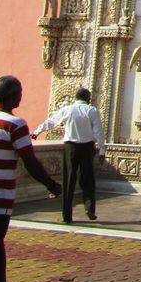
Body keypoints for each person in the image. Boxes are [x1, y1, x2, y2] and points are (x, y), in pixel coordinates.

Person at [0, 75, 62, 282]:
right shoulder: (15, 124)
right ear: (12, 96)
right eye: (19, 92)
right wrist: (52, 184)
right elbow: (30, 161)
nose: (22, 95)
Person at [32, 87, 106, 224]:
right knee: (88, 178)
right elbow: (98, 132)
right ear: (88, 98)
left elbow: (52, 122)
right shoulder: (91, 110)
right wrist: (102, 150)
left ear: (76, 98)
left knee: (69, 180)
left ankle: (67, 214)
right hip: (87, 147)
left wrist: (37, 131)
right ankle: (89, 207)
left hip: (71, 147)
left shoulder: (68, 109)